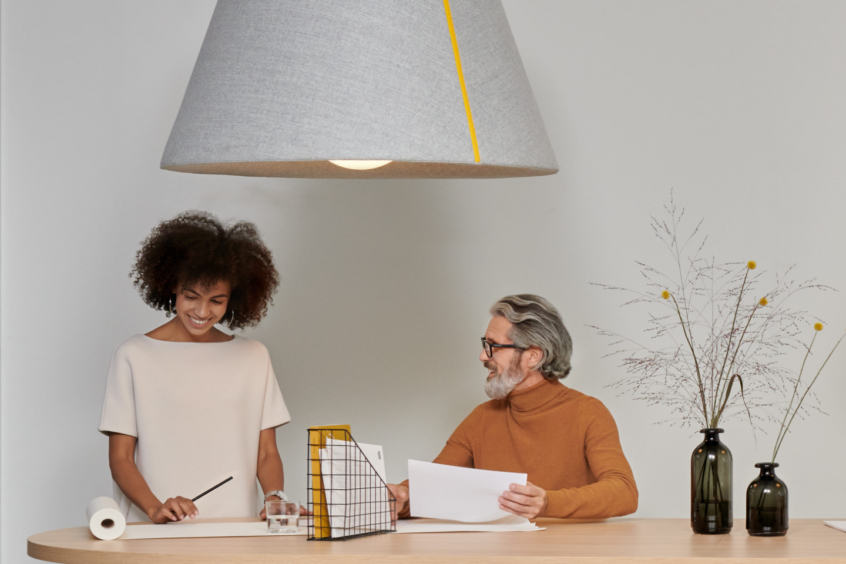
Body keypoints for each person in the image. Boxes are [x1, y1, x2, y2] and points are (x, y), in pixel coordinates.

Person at [99, 211, 293, 524]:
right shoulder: (134, 355)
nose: (202, 311)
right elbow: (120, 458)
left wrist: (274, 497)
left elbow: (266, 452)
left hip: (236, 528)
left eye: (217, 300)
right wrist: (154, 508)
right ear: (171, 286)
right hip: (154, 528)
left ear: (235, 298)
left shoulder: (253, 356)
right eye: (191, 296)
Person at [388, 294, 638, 520]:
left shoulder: (588, 412)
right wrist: (400, 498)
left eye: (493, 346)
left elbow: (624, 492)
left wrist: (548, 503)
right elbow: (435, 483)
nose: (483, 357)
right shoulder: (482, 417)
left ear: (533, 356)